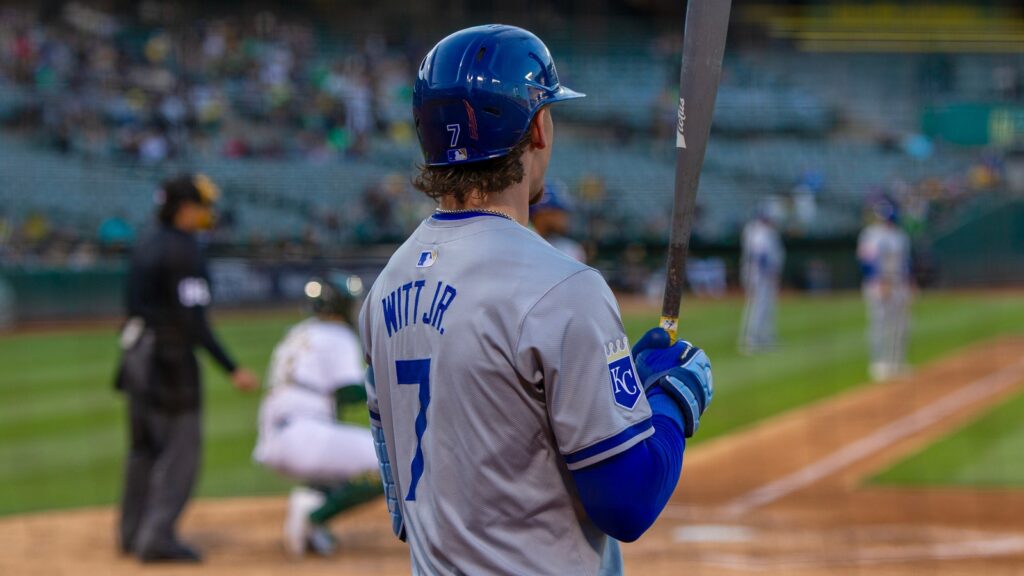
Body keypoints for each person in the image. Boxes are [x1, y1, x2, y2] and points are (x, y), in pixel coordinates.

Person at [358, 25, 713, 575]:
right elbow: (629, 502)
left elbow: (399, 495)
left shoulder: (385, 288)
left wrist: (621, 386)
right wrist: (673, 399)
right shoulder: (562, 287)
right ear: (538, 128)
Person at [115, 174, 259, 563]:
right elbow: (193, 322)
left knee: (143, 449)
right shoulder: (184, 250)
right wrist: (232, 368)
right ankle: (156, 537)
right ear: (184, 208)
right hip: (169, 362)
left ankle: (131, 532)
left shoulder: (146, 240)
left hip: (135, 354)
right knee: (180, 452)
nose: (206, 213)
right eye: (201, 206)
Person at [252, 272, 383, 559]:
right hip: (304, 433)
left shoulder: (298, 332)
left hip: (277, 434)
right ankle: (315, 514)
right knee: (389, 463)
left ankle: (311, 504)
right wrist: (388, 392)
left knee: (343, 454)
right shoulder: (336, 335)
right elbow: (349, 391)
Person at [857, 194, 912, 381]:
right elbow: (867, 262)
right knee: (878, 324)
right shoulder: (871, 234)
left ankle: (896, 362)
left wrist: (909, 283)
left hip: (898, 283)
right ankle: (878, 363)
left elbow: (906, 263)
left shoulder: (900, 235)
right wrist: (879, 282)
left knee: (901, 325)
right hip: (878, 284)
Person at [738, 207, 785, 354]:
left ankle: (763, 338)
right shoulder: (759, 232)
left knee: (764, 307)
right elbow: (761, 257)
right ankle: (751, 340)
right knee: (757, 307)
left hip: (760, 274)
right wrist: (769, 274)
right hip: (760, 275)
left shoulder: (759, 231)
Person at [530, 178, 586, 263]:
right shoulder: (519, 239)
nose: (565, 218)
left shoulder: (569, 248)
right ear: (545, 212)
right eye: (561, 211)